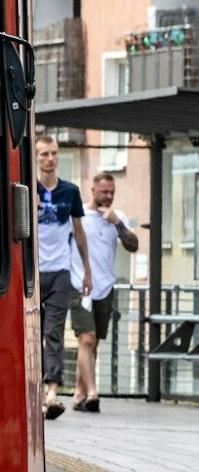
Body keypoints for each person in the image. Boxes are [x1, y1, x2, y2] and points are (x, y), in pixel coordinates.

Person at [35, 135, 93, 421]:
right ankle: (33, 390)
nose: (50, 159)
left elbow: (79, 232)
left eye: (54, 153)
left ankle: (52, 392)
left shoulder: (70, 191)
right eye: (44, 154)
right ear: (36, 157)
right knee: (31, 334)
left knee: (54, 332)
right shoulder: (26, 189)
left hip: (60, 271)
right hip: (32, 270)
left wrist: (87, 270)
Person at [75, 172, 140, 413]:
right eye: (104, 192)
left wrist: (117, 223)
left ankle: (79, 393)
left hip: (105, 287)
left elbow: (133, 246)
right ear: (93, 191)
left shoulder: (117, 217)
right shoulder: (80, 214)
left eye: (112, 192)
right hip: (80, 286)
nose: (108, 196)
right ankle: (92, 393)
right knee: (86, 338)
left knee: (95, 343)